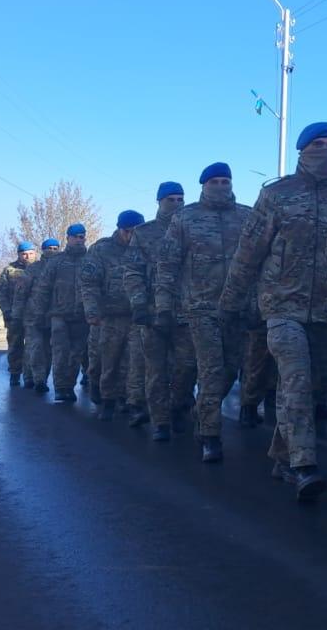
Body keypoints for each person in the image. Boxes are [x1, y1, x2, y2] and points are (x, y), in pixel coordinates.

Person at [221, 121, 327, 501]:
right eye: (318, 144)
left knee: (317, 385)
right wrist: (231, 301)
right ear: (302, 150)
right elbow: (249, 251)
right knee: (296, 381)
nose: (326, 150)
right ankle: (304, 466)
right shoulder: (277, 195)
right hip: (281, 305)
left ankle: (282, 454)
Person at [155, 163, 252, 462]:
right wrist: (163, 306)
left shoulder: (247, 217)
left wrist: (256, 302)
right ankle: (210, 435)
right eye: (215, 181)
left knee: (231, 369)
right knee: (211, 369)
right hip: (200, 307)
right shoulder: (186, 218)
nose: (221, 186)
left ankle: (199, 411)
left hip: (236, 308)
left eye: (226, 181)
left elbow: (258, 262)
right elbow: (168, 265)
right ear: (204, 185)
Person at [124, 182, 196, 442]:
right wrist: (139, 304)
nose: (176, 204)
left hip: (187, 312)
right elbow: (132, 273)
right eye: (171, 200)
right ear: (159, 202)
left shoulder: (193, 228)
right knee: (156, 371)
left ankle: (178, 406)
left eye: (180, 199)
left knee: (188, 367)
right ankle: (160, 421)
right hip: (154, 314)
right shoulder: (144, 233)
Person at [80, 210, 146, 421]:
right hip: (108, 317)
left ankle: (130, 400)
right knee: (107, 361)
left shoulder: (145, 248)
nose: (133, 235)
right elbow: (89, 283)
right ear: (120, 229)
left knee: (134, 361)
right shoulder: (101, 249)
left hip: (137, 316)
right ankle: (107, 398)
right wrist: (92, 311)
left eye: (137, 231)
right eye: (129, 231)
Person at [31, 225, 91, 403]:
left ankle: (69, 386)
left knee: (76, 354)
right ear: (68, 238)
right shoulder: (56, 262)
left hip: (81, 316)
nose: (79, 240)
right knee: (60, 352)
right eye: (76, 237)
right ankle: (60, 387)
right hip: (59, 315)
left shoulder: (90, 260)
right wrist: (39, 314)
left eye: (82, 237)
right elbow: (43, 289)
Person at [15, 239, 61, 393]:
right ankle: (36, 379)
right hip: (32, 315)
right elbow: (21, 293)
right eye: (49, 248)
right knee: (35, 347)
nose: (52, 251)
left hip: (53, 315)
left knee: (48, 351)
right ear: (43, 250)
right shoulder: (33, 269)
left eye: (56, 248)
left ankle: (39, 378)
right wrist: (17, 315)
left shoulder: (62, 268)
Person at [0, 241, 40, 387]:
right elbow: (0, 293)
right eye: (24, 254)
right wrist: (6, 310)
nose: (28, 256)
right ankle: (15, 373)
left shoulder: (42, 268)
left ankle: (29, 376)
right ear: (19, 255)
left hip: (35, 315)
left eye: (31, 253)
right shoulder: (10, 270)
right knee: (15, 345)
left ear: (35, 253)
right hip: (14, 315)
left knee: (33, 346)